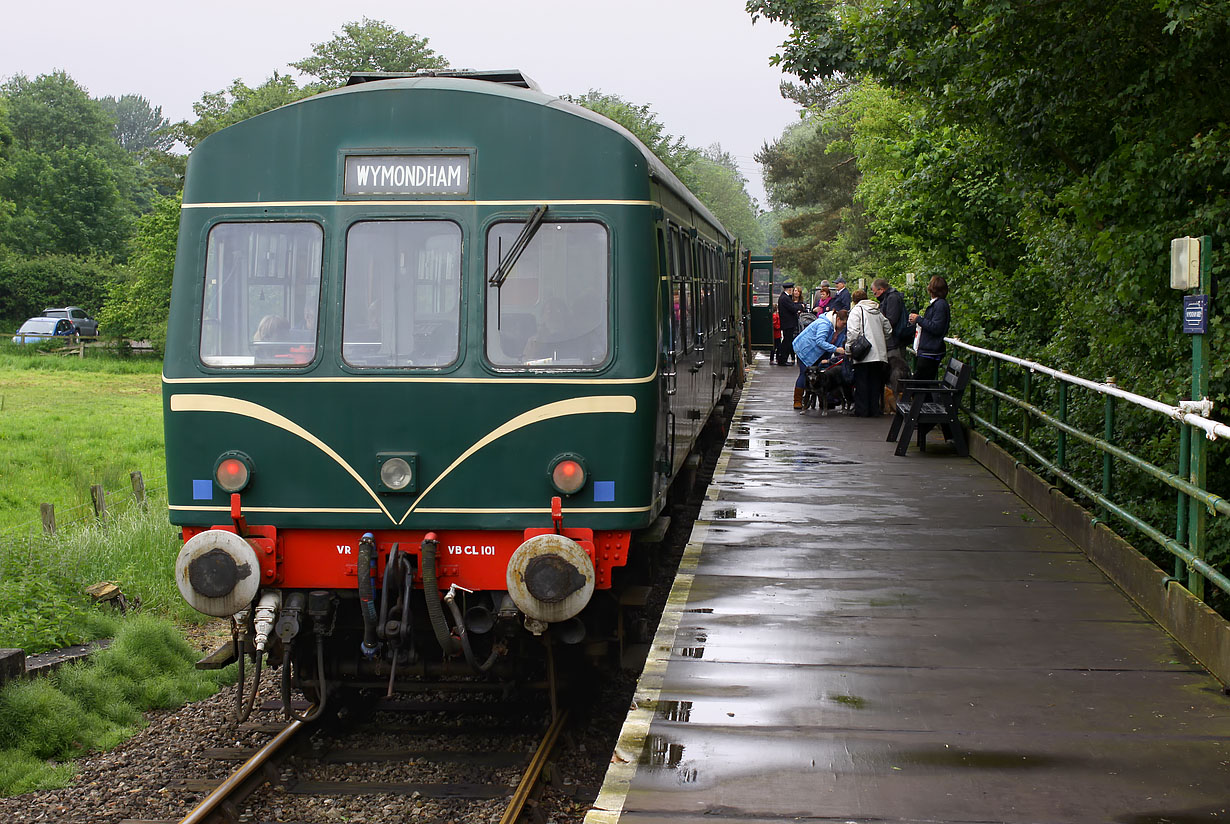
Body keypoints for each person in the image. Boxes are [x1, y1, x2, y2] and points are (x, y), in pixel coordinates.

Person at [846, 289, 894, 417]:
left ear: (854, 301)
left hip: (864, 352)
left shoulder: (856, 311)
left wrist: (848, 348)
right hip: (879, 354)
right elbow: (888, 330)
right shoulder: (877, 311)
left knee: (861, 382)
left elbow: (853, 332)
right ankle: (874, 409)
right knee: (875, 382)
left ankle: (862, 410)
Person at [792, 308, 848, 409]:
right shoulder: (824, 324)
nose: (844, 326)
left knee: (817, 374)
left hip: (816, 352)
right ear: (838, 319)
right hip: (805, 350)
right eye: (843, 323)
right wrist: (836, 349)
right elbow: (820, 341)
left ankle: (815, 400)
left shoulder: (836, 328)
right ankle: (798, 400)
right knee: (804, 373)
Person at [872, 277, 909, 409]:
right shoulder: (888, 298)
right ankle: (891, 405)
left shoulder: (892, 298)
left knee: (896, 376)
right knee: (891, 375)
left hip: (895, 343)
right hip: (891, 342)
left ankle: (899, 405)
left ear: (881, 289)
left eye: (875, 293)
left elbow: (891, 320)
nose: (874, 296)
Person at [909, 275, 951, 382]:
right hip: (929, 351)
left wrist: (919, 319)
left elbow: (937, 328)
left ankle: (922, 399)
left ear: (931, 289)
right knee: (923, 383)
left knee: (918, 384)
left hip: (930, 352)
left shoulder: (939, 305)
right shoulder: (939, 304)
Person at [777, 282, 807, 366]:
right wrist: (801, 307)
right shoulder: (785, 298)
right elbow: (793, 308)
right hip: (788, 323)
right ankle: (783, 359)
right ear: (790, 289)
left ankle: (782, 359)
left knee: (786, 341)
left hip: (787, 323)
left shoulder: (784, 297)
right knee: (787, 341)